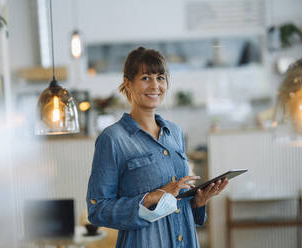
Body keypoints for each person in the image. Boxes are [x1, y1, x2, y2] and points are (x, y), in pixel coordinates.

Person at [86, 47, 228, 247]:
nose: (155, 86)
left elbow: (175, 200)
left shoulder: (175, 133)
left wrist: (197, 201)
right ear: (128, 83)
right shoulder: (112, 139)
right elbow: (97, 210)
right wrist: (153, 196)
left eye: (160, 77)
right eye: (145, 78)